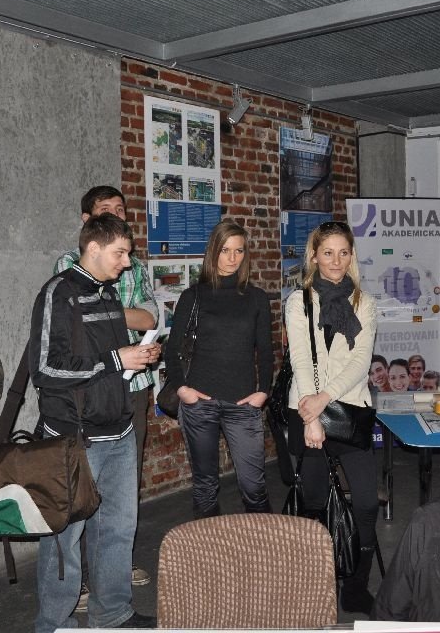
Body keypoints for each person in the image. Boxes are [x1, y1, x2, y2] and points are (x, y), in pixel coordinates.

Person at [30, 214, 160, 632]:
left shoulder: (108, 294)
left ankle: (112, 614)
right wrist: (117, 358)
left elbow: (108, 367)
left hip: (119, 430)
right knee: (63, 539)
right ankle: (54, 623)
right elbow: (45, 369)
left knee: (118, 531)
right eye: (120, 253)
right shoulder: (57, 293)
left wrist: (136, 358)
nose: (126, 262)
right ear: (93, 248)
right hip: (75, 438)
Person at [54, 185, 158, 597]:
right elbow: (78, 317)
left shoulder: (133, 263)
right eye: (105, 209)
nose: (116, 213)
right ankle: (78, 578)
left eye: (121, 208)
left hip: (134, 386)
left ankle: (114, 571)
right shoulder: (68, 266)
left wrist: (107, 313)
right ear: (88, 222)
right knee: (81, 489)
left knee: (121, 488)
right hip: (90, 388)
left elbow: (151, 316)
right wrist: (119, 320)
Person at [285, 221, 378, 615]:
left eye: (343, 252)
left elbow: (360, 361)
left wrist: (324, 400)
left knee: (367, 502)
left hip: (349, 410)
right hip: (306, 413)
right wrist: (312, 416)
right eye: (328, 253)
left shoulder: (364, 302)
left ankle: (356, 586)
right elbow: (301, 359)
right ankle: (317, 582)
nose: (336, 261)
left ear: (351, 255)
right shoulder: (299, 302)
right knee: (315, 503)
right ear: (314, 256)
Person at [162, 219, 274, 517]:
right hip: (199, 404)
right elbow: (172, 350)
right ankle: (208, 547)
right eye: (225, 250)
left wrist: (263, 391)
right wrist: (183, 389)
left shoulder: (256, 298)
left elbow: (266, 351)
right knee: (205, 486)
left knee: (254, 487)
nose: (233, 258)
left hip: (243, 403)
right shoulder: (193, 296)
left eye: (239, 251)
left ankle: (264, 544)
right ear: (213, 252)